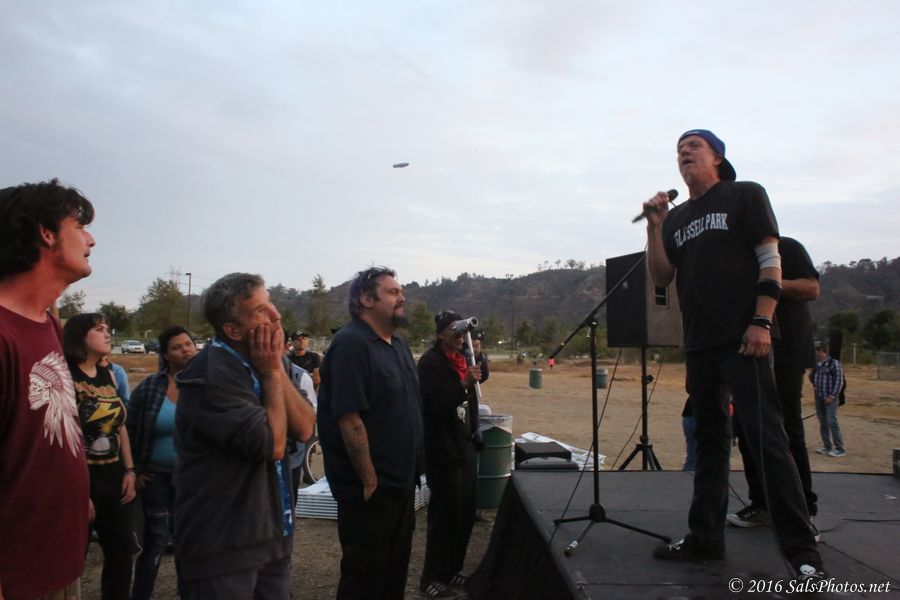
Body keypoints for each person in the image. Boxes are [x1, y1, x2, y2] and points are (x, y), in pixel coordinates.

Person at [642, 129, 824, 580]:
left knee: (767, 440)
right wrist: (654, 226)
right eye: (679, 150)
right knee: (709, 443)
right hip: (700, 344)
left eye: (693, 146)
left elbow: (770, 260)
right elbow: (662, 275)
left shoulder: (744, 194)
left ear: (718, 158)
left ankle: (803, 553)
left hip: (744, 337)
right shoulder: (678, 218)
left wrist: (762, 320)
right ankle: (705, 539)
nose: (684, 153)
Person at [173, 273, 316, 599]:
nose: (276, 315)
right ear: (233, 330)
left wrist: (276, 369)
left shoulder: (269, 359)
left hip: (271, 535)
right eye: (260, 311)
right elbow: (274, 445)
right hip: (223, 544)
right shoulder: (210, 373)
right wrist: (271, 373)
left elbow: (305, 428)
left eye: (271, 304)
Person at [0, 179, 93, 600]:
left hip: (59, 565)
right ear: (46, 232)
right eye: (80, 226)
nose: (91, 239)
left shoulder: (47, 323)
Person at [317, 266, 425, 599]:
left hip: (401, 484)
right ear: (366, 300)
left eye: (401, 291)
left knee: (394, 572)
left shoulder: (399, 345)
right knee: (364, 578)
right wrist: (368, 481)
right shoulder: (351, 344)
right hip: (371, 491)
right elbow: (349, 420)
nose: (401, 297)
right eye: (392, 292)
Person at [729, 237, 821, 528]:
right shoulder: (735, 254)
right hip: (746, 352)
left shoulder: (787, 248)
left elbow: (812, 288)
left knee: (786, 430)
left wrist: (771, 282)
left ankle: (803, 510)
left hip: (787, 352)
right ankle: (762, 504)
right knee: (747, 430)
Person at [63, 313, 139, 600]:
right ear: (80, 337)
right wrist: (80, 491)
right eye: (98, 329)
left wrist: (129, 470)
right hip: (80, 482)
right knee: (72, 559)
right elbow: (62, 439)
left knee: (122, 553)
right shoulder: (66, 377)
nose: (107, 334)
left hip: (115, 479)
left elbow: (120, 427)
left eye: (107, 329)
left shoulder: (108, 375)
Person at [127, 325, 197, 600]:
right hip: (156, 479)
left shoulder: (207, 385)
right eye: (177, 347)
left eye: (188, 344)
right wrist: (136, 469)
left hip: (193, 481)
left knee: (189, 542)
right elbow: (129, 429)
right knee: (155, 541)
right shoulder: (149, 387)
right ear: (166, 355)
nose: (186, 350)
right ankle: (141, 594)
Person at [417, 311, 483, 598]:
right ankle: (432, 577)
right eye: (454, 331)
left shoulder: (463, 357)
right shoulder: (430, 363)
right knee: (444, 515)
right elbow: (431, 403)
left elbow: (481, 378)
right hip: (442, 449)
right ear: (440, 334)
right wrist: (462, 384)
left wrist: (479, 357)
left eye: (462, 331)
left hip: (465, 445)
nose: (460, 336)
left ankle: (453, 568)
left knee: (465, 513)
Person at [813, 342, 846, 457]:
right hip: (819, 398)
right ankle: (827, 446)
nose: (814, 353)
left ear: (822, 350)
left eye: (816, 351)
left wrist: (832, 396)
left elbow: (839, 381)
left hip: (831, 399)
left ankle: (840, 449)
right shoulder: (817, 364)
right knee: (823, 423)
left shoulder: (834, 364)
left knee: (832, 421)